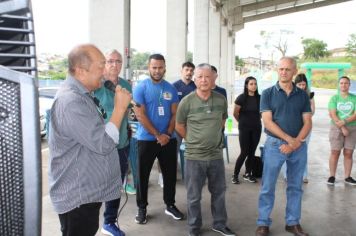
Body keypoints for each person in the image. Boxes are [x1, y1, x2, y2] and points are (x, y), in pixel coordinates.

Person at [48, 44, 132, 236]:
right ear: (80, 71)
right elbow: (103, 143)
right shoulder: (71, 101)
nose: (105, 71)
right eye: (101, 66)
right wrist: (119, 109)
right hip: (78, 197)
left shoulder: (83, 95)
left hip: (86, 193)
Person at [176, 63, 235, 236]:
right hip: (194, 156)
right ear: (194, 79)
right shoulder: (186, 102)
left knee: (219, 193)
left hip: (216, 155)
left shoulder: (221, 99)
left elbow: (222, 121)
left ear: (213, 78)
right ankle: (194, 228)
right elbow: (179, 126)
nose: (203, 80)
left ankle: (219, 224)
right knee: (194, 196)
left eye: (207, 76)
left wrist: (212, 137)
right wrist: (193, 140)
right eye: (200, 76)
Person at [256, 57, 312, 236]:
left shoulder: (302, 95)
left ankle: (293, 222)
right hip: (274, 146)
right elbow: (267, 121)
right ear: (277, 70)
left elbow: (308, 122)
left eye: (288, 69)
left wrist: (296, 143)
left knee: (295, 186)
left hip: (298, 147)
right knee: (268, 186)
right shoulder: (267, 93)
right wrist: (290, 140)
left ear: (294, 71)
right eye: (281, 69)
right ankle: (263, 223)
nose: (283, 72)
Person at [132, 53, 184, 224]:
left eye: (160, 67)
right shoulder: (141, 87)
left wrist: (168, 134)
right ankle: (142, 208)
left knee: (169, 174)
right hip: (146, 139)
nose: (157, 70)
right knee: (143, 175)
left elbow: (175, 113)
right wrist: (157, 135)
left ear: (165, 68)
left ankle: (170, 205)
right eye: (154, 67)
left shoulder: (170, 89)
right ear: (149, 68)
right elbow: (140, 115)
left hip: (168, 140)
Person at [94, 49, 135, 236]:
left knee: (115, 187)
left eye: (118, 61)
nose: (114, 65)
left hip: (121, 145)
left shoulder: (126, 84)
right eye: (110, 61)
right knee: (95, 187)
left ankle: (109, 222)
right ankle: (89, 223)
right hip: (99, 147)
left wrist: (126, 127)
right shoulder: (96, 83)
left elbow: (126, 111)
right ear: (104, 62)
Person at [281, 73, 315, 183]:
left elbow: (312, 111)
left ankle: (303, 175)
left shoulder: (309, 95)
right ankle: (287, 174)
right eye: (299, 84)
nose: (302, 87)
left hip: (305, 128)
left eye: (304, 84)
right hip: (291, 127)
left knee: (302, 151)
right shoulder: (290, 94)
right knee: (288, 150)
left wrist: (305, 114)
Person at [231, 76, 261, 184]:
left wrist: (255, 121)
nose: (253, 86)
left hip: (257, 128)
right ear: (246, 85)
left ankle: (248, 173)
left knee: (252, 152)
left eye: (255, 84)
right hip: (244, 128)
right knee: (244, 152)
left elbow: (262, 113)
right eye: (251, 84)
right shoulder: (241, 98)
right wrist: (242, 122)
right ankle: (235, 175)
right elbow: (235, 113)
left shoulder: (260, 98)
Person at [327, 76, 356, 185]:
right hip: (336, 127)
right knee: (335, 151)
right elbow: (333, 114)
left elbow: (355, 115)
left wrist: (344, 122)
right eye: (342, 83)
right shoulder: (334, 98)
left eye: (346, 83)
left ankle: (347, 177)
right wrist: (342, 127)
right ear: (339, 85)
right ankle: (332, 176)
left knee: (349, 153)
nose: (343, 85)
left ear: (349, 85)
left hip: (352, 128)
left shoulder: (354, 98)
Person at [173, 61, 196, 179]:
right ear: (181, 71)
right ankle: (166, 176)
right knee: (172, 152)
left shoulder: (196, 86)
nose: (189, 72)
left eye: (191, 70)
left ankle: (191, 176)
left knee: (192, 152)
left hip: (192, 125)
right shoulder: (174, 86)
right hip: (177, 125)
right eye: (187, 70)